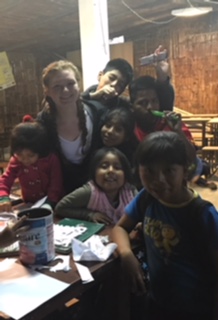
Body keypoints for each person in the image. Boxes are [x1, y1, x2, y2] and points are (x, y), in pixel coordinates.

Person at [112, 131, 218, 320]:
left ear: (185, 170)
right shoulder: (146, 198)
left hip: (196, 309)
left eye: (169, 170)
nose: (158, 179)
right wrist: (127, 255)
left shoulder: (202, 214)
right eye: (149, 171)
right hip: (157, 303)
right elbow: (120, 228)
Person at [37, 60, 105, 194]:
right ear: (47, 91)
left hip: (98, 192)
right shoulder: (43, 124)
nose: (65, 90)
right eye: (57, 86)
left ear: (78, 84)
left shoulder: (97, 113)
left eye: (71, 83)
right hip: (59, 195)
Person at [55, 147, 137, 225]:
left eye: (117, 167)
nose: (111, 171)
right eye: (104, 166)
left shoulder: (131, 192)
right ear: (94, 172)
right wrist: (89, 215)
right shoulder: (89, 192)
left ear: (125, 174)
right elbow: (60, 208)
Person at [0, 121, 63, 212]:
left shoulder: (50, 160)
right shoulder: (16, 161)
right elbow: (5, 180)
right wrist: (3, 197)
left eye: (31, 156)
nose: (25, 160)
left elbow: (56, 185)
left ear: (40, 151)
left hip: (53, 203)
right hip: (29, 203)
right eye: (19, 155)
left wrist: (50, 202)